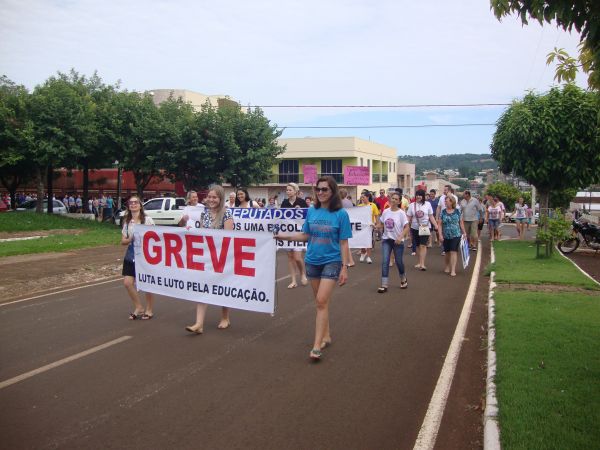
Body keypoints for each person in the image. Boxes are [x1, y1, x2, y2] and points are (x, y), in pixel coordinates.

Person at [276, 176, 351, 361]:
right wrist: (286, 237)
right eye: (318, 189)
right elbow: (306, 235)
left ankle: (316, 346)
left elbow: (344, 243)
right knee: (321, 303)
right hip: (312, 261)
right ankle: (326, 335)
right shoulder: (312, 211)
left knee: (321, 300)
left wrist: (345, 267)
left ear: (332, 191)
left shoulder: (341, 214)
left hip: (332, 261)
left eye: (325, 189)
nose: (320, 192)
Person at [185, 185, 234, 334]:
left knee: (223, 288)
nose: (211, 200)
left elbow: (229, 237)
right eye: (209, 197)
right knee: (202, 287)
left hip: (221, 258)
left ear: (221, 198)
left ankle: (225, 317)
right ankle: (199, 323)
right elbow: (201, 234)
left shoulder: (227, 214)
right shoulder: (204, 214)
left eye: (215, 197)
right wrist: (191, 231)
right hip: (206, 257)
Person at [121, 195, 155, 320]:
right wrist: (130, 238)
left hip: (146, 254)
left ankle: (149, 309)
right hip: (131, 254)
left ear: (140, 205)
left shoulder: (147, 220)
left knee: (146, 283)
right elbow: (123, 241)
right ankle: (139, 307)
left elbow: (155, 236)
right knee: (127, 283)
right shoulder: (127, 222)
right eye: (131, 203)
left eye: (136, 202)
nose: (133, 204)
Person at [376, 192, 409, 292]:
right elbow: (381, 224)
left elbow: (407, 227)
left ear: (399, 202)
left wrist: (400, 237)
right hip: (387, 240)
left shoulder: (401, 213)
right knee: (385, 261)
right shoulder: (386, 211)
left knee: (399, 262)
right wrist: (374, 226)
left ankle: (403, 278)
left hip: (398, 241)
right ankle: (384, 284)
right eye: (392, 198)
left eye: (396, 199)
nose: (393, 200)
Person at [280, 182, 308, 289]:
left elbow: (307, 216)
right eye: (287, 190)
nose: (288, 192)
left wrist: (299, 211)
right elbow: (281, 217)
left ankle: (302, 273)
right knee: (290, 257)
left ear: (295, 191)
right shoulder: (284, 203)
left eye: (290, 190)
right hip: (287, 233)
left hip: (298, 233)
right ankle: (293, 280)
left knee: (297, 257)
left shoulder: (302, 202)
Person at [407, 189, 438, 271]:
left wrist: (436, 225)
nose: (418, 196)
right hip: (414, 227)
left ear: (423, 196)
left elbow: (431, 216)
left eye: (420, 195)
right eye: (417, 195)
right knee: (417, 245)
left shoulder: (427, 204)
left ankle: (422, 264)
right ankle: (419, 262)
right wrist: (405, 227)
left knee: (423, 245)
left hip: (425, 226)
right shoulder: (412, 205)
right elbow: (408, 217)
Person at [438, 195, 466, 277]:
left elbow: (461, 222)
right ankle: (447, 266)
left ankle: (453, 269)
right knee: (447, 252)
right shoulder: (443, 212)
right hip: (446, 235)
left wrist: (464, 232)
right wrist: (440, 234)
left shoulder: (458, 211)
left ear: (451, 202)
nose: (445, 202)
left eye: (446, 201)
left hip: (456, 234)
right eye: (445, 201)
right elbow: (439, 224)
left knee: (453, 251)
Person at [357, 191, 379, 264]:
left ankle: (368, 257)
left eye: (363, 197)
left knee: (369, 241)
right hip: (361, 226)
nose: (362, 198)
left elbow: (376, 215)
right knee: (362, 241)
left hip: (370, 226)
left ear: (367, 197)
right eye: (361, 197)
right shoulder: (359, 206)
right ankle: (363, 253)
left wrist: (377, 225)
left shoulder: (373, 205)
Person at [338, 188, 355, 266]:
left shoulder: (340, 202)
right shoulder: (349, 202)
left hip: (342, 223)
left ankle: (350, 261)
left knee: (343, 243)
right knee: (345, 243)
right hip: (348, 222)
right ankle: (350, 260)